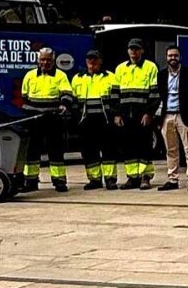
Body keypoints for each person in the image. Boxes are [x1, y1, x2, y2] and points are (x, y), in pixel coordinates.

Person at [20, 47, 75, 192]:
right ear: (38, 60)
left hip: (53, 118)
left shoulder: (60, 76)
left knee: (55, 149)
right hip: (33, 119)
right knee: (32, 150)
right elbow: (24, 96)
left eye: (48, 60)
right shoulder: (30, 75)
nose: (45, 62)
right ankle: (30, 181)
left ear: (53, 61)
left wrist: (64, 104)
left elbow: (67, 94)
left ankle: (59, 181)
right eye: (43, 59)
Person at [114, 39, 160, 191]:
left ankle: (145, 177)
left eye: (137, 48)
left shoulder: (150, 67)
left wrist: (149, 113)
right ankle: (132, 177)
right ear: (128, 51)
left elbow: (155, 93)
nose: (134, 51)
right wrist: (117, 114)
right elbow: (115, 93)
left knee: (144, 146)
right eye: (131, 48)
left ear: (142, 51)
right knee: (128, 146)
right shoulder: (120, 68)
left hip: (143, 114)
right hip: (126, 115)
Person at [72, 49, 119, 191]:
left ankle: (110, 179)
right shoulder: (77, 78)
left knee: (108, 150)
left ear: (100, 61)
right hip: (86, 121)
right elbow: (74, 101)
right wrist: (77, 119)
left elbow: (116, 99)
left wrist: (116, 115)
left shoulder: (110, 77)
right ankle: (94, 179)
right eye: (89, 59)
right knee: (88, 151)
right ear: (86, 61)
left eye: (95, 59)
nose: (92, 62)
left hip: (105, 120)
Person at [156, 46, 188, 192]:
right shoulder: (161, 75)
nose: (172, 58)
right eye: (170, 56)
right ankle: (172, 180)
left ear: (180, 57)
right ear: (166, 57)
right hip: (167, 116)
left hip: (184, 116)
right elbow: (159, 97)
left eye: (175, 55)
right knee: (171, 150)